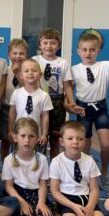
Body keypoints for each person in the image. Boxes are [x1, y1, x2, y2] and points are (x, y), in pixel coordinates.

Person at [70, 27, 109, 187]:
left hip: (100, 108)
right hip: (83, 109)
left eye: (92, 50)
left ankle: (104, 173)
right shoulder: (74, 70)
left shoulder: (104, 66)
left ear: (98, 51)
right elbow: (69, 89)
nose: (88, 53)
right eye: (84, 50)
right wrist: (71, 104)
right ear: (78, 51)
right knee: (85, 144)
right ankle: (85, 173)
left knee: (105, 144)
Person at [50, 121, 107, 216]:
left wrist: (90, 206)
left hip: (86, 199)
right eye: (70, 138)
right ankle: (55, 214)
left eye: (80, 139)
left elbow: (94, 189)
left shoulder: (89, 161)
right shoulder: (56, 162)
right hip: (67, 200)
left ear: (85, 142)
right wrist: (73, 206)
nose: (75, 142)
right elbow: (55, 191)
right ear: (62, 142)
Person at [3, 118, 54, 216]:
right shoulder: (9, 160)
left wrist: (41, 202)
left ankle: (40, 215)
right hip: (17, 195)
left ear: (37, 139)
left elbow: (43, 184)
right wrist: (22, 202)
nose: (27, 140)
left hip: (37, 195)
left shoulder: (42, 159)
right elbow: (8, 186)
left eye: (31, 136)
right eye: (23, 136)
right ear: (15, 138)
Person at [32, 28, 74, 159]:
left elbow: (67, 85)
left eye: (53, 43)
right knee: (41, 136)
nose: (49, 46)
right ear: (40, 45)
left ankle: (55, 164)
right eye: (45, 43)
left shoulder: (63, 63)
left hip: (58, 102)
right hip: (40, 99)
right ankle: (41, 164)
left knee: (56, 137)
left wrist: (71, 102)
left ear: (58, 45)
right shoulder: (35, 60)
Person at [8, 59, 53, 148]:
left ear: (40, 75)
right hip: (19, 132)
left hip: (36, 133)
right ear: (21, 75)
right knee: (18, 153)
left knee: (37, 153)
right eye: (26, 71)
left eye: (34, 70)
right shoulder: (16, 93)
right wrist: (10, 130)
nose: (30, 73)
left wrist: (44, 134)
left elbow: (45, 116)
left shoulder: (44, 95)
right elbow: (12, 113)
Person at [0, 39, 28, 161]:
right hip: (7, 108)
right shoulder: (5, 69)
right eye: (15, 53)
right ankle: (5, 165)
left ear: (26, 55)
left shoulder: (28, 71)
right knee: (6, 140)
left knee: (21, 140)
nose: (18, 56)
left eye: (21, 53)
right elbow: (2, 87)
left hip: (23, 109)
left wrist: (17, 74)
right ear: (9, 55)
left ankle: (19, 164)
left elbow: (28, 89)